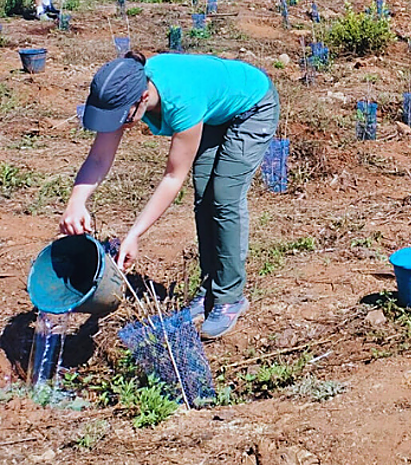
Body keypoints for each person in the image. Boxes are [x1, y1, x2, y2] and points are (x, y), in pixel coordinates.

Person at [61, 51, 280, 339]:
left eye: (120, 118)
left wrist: (135, 234)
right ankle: (209, 290)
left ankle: (230, 297)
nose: (118, 125)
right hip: (213, 110)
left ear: (141, 98)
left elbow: (173, 177)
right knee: (204, 197)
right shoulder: (124, 94)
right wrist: (76, 202)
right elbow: (99, 159)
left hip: (251, 105)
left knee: (224, 196)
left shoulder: (181, 101)